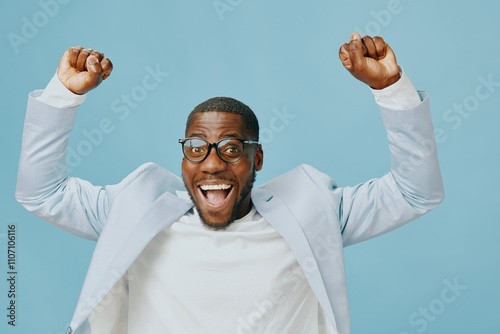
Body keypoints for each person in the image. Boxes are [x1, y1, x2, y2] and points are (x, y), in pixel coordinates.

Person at [15, 32, 444, 334]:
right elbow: (42, 193)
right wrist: (62, 95)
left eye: (232, 149)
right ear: (184, 158)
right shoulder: (134, 209)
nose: (213, 164)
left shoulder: (314, 213)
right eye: (197, 148)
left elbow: (415, 192)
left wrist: (391, 89)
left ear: (257, 158)